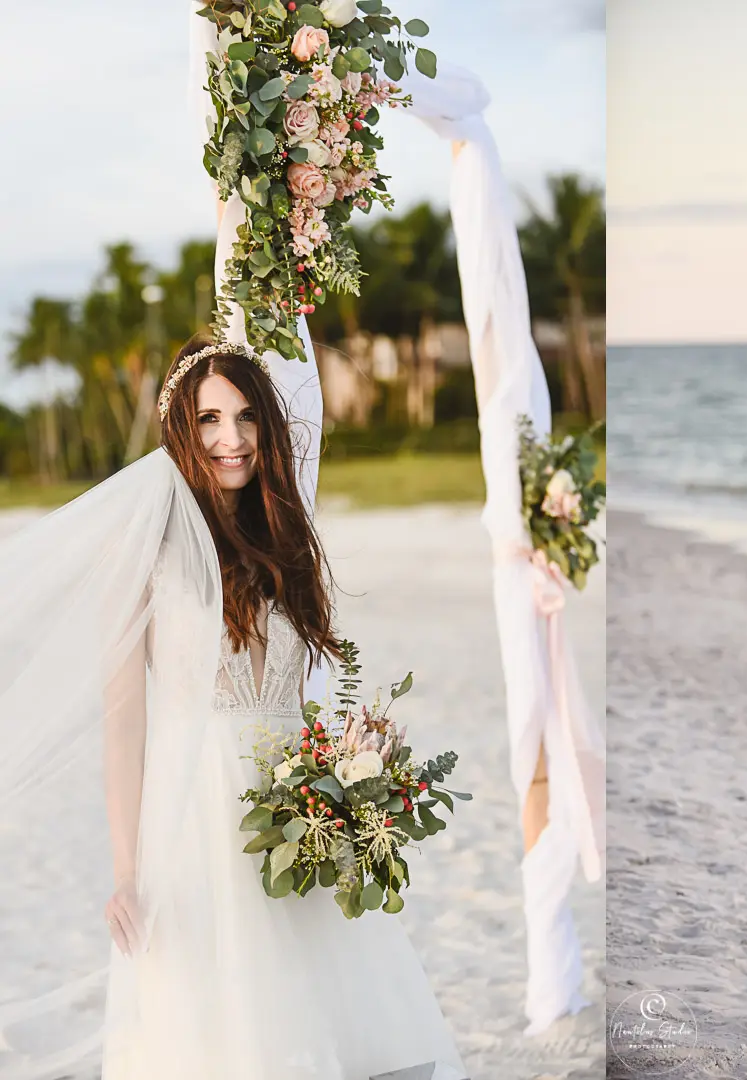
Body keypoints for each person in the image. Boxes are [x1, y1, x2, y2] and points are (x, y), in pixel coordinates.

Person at [0, 337, 465, 1078]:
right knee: (220, 1026)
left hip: (298, 803)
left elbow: (300, 689)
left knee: (328, 1015)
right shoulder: (142, 543)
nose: (231, 439)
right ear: (181, 427)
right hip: (198, 810)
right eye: (210, 418)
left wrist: (350, 763)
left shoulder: (283, 535)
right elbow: (126, 723)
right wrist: (127, 871)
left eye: (246, 417)